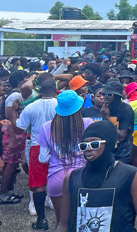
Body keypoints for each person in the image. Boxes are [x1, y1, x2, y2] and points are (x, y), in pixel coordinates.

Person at [57, 120, 137, 232]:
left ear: (108, 144)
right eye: (84, 145)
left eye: (94, 144)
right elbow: (63, 224)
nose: (88, 149)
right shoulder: (71, 178)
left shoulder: (130, 176)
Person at [38, 90, 94, 225]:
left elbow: (43, 159)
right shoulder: (88, 123)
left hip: (56, 179)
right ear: (79, 107)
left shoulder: (46, 127)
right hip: (83, 177)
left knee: (62, 222)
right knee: (86, 221)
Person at [15, 77, 58, 229]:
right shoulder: (61, 105)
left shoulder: (31, 107)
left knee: (37, 181)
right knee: (57, 176)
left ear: (39, 91)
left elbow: (20, 128)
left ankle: (39, 215)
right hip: (58, 146)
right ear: (55, 90)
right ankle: (56, 209)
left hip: (37, 146)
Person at [0, 70, 27, 204]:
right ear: (21, 81)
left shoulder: (15, 94)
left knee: (13, 163)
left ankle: (8, 191)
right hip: (12, 133)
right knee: (9, 165)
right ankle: (3, 194)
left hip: (14, 133)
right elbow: (9, 116)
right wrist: (13, 137)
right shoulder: (15, 95)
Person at [99, 79, 134, 164]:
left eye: (109, 94)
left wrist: (106, 118)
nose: (105, 97)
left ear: (117, 96)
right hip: (107, 153)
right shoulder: (103, 107)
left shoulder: (126, 110)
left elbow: (122, 136)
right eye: (103, 94)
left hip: (121, 154)